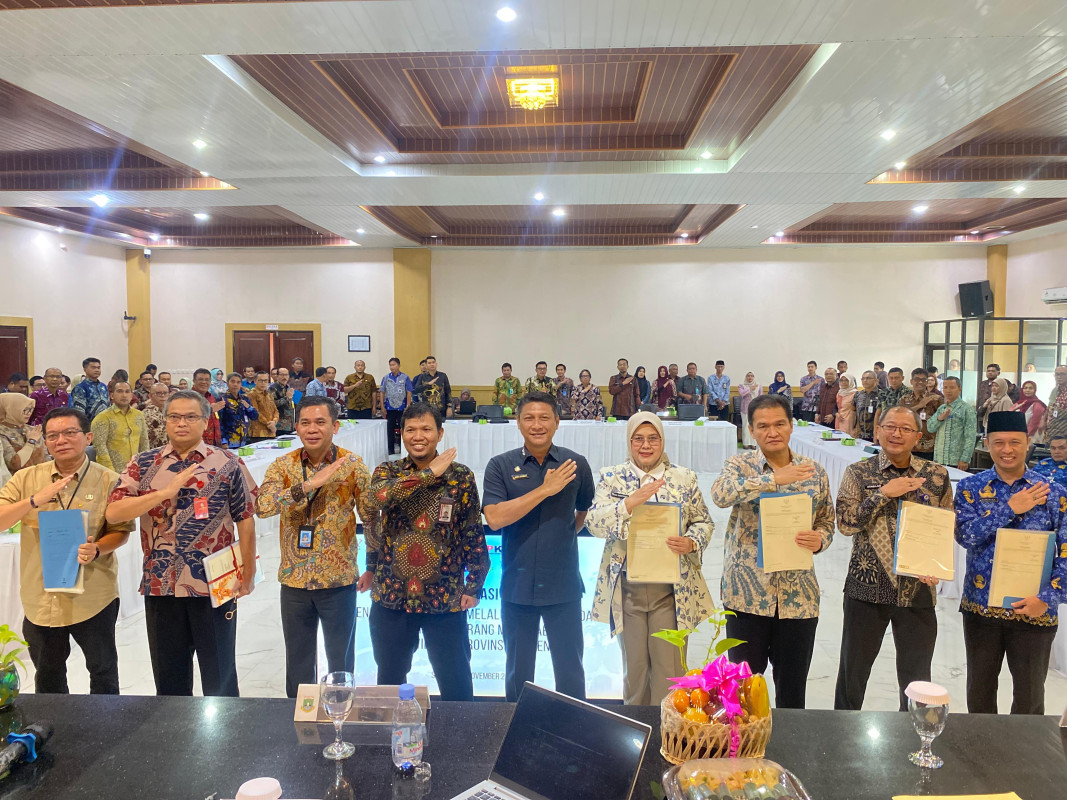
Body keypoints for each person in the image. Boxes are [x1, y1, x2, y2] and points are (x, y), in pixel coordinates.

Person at [106, 390, 258, 697]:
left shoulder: (228, 462)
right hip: (161, 583)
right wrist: (162, 493)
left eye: (190, 417)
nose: (181, 423)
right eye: (174, 417)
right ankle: (176, 738)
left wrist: (248, 572)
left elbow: (245, 517)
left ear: (205, 421)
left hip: (216, 584)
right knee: (169, 677)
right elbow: (114, 512)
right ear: (165, 422)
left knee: (220, 673)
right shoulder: (144, 463)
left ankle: (226, 737)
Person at [710, 393, 834, 709]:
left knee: (792, 692)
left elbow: (826, 520)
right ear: (751, 430)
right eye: (763, 426)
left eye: (779, 424)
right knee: (743, 693)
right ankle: (743, 754)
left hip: (798, 599)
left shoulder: (814, 471)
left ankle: (790, 752)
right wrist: (772, 479)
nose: (772, 432)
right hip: (747, 596)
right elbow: (721, 495)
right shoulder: (739, 465)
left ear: (791, 426)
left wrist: (820, 539)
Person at [360, 403, 489, 701]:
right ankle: (390, 743)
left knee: (455, 679)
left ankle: (462, 742)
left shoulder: (460, 476)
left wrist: (476, 582)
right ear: (401, 433)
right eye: (411, 429)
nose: (419, 436)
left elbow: (471, 529)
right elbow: (374, 501)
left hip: (446, 594)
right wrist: (429, 473)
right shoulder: (387, 471)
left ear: (440, 433)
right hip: (392, 595)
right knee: (390, 679)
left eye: (427, 429)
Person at [0, 407, 133, 694]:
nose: (61, 440)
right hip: (42, 597)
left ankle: (106, 732)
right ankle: (54, 734)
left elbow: (120, 531)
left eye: (70, 433)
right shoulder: (27, 479)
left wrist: (97, 548)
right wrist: (34, 500)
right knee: (48, 675)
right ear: (45, 442)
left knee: (103, 669)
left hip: (93, 595)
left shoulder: (108, 480)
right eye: (53, 435)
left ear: (87, 438)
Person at [586, 411, 715, 705]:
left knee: (669, 672)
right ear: (629, 442)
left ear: (662, 441)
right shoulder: (612, 477)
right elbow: (593, 522)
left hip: (670, 592)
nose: (646, 445)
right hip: (627, 590)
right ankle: (637, 740)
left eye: (653, 438)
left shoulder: (683, 478)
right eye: (638, 439)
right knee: (635, 671)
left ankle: (668, 739)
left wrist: (692, 541)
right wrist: (629, 504)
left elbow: (704, 522)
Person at [834, 406, 952, 711]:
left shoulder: (936, 475)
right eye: (889, 426)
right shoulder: (858, 473)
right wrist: (884, 493)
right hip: (866, 589)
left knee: (917, 681)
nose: (896, 433)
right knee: (852, 675)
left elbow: (944, 525)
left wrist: (935, 564)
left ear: (918, 436)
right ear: (877, 431)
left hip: (918, 590)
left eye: (905, 428)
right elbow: (846, 524)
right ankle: (841, 740)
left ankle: (912, 741)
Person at [256, 396, 373, 698]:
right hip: (294, 582)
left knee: (341, 663)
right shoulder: (283, 465)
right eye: (305, 422)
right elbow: (264, 506)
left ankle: (341, 719)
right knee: (298, 663)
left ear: (334, 426)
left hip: (338, 580)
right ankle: (299, 724)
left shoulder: (353, 465)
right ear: (296, 427)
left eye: (320, 422)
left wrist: (373, 566)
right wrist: (307, 485)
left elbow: (372, 518)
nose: (312, 429)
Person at [482, 390, 595, 702]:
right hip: (517, 587)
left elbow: (583, 511)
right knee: (518, 674)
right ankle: (516, 738)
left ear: (557, 422)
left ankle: (573, 737)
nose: (537, 424)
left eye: (544, 417)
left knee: (571, 672)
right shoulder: (500, 466)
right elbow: (494, 518)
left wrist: (562, 536)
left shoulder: (576, 465)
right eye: (529, 417)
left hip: (564, 587)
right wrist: (544, 490)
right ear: (518, 423)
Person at [954, 410, 1067, 715]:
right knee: (979, 691)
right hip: (981, 606)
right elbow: (965, 536)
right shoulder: (971, 488)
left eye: (1015, 442)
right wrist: (1009, 508)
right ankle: (979, 757)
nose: (1007, 450)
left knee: (1030, 697)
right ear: (987, 444)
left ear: (1029, 442)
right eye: (999, 442)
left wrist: (1047, 599)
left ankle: (1022, 762)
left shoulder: (1053, 492)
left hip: (1034, 610)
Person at [90, 380, 149, 471]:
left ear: (131, 395)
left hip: (136, 470)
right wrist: (111, 474)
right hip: (113, 471)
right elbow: (100, 449)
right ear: (112, 395)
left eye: (127, 391)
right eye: (120, 391)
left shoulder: (139, 415)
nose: (124, 395)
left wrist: (145, 467)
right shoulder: (103, 418)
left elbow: (144, 443)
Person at [926, 377, 978, 472]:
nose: (948, 390)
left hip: (956, 461)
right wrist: (939, 419)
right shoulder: (942, 408)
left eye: (952, 387)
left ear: (959, 389)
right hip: (939, 460)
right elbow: (930, 428)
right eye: (945, 387)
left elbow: (970, 436)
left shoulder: (967, 409)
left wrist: (965, 459)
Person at [0, 393, 44, 476]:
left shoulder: (33, 429)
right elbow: (15, 464)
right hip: (15, 483)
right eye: (25, 409)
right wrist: (31, 441)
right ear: (10, 409)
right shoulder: (2, 432)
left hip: (41, 480)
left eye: (31, 409)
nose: (29, 413)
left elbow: (47, 458)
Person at [901, 368, 939, 459]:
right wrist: (920, 405)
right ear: (911, 381)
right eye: (917, 379)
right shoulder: (904, 399)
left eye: (923, 380)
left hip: (929, 446)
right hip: (909, 445)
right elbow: (901, 415)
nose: (920, 382)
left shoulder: (935, 399)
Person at [380, 358, 414, 455]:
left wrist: (408, 406)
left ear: (398, 366)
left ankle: (403, 449)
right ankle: (390, 450)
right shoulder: (386, 378)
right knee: (389, 429)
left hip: (402, 408)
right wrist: (382, 406)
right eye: (390, 365)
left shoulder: (405, 377)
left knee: (402, 429)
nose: (392, 367)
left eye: (394, 365)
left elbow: (409, 392)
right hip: (389, 408)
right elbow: (382, 392)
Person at [218, 372, 259, 449]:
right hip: (229, 441)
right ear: (227, 383)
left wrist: (249, 407)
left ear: (241, 384)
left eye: (238, 382)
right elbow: (219, 422)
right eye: (233, 382)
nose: (235, 384)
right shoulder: (222, 399)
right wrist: (223, 441)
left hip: (244, 441)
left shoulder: (244, 399)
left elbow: (255, 417)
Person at [70, 358, 110, 425]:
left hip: (106, 424)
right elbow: (79, 412)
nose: (97, 370)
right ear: (85, 369)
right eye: (93, 367)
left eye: (98, 368)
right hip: (89, 425)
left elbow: (108, 406)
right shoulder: (80, 388)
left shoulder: (103, 387)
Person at [191, 368, 224, 447]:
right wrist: (209, 409)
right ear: (194, 381)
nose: (204, 382)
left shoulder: (210, 396)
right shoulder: (189, 397)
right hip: (198, 443)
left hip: (215, 442)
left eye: (207, 380)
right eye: (200, 379)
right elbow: (190, 416)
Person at [247, 371, 279, 442]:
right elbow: (255, 412)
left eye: (265, 381)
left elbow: (275, 410)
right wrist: (269, 424)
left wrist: (274, 422)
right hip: (258, 433)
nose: (263, 383)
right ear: (255, 381)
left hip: (271, 432)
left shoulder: (269, 394)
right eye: (260, 381)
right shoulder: (252, 394)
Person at [1042, 365, 1067, 444]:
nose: (1059, 377)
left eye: (1062, 374)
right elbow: (1049, 408)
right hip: (1053, 427)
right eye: (1057, 374)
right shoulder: (1055, 390)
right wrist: (1043, 421)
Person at [269, 368, 296, 436]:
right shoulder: (273, 388)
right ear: (277, 376)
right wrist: (286, 398)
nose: (284, 377)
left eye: (286, 375)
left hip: (290, 424)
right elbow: (271, 405)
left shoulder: (288, 387)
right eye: (282, 375)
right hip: (280, 425)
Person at [854, 371, 880, 442]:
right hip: (860, 434)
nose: (865, 380)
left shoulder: (882, 395)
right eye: (863, 378)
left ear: (876, 380)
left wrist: (877, 433)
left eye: (868, 378)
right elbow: (853, 412)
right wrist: (854, 428)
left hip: (876, 435)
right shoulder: (858, 394)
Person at [143, 382, 170, 449]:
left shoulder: (173, 411)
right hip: (154, 452)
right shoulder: (145, 414)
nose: (162, 395)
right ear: (151, 395)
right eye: (158, 393)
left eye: (165, 393)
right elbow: (146, 439)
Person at [738, 373, 762, 448]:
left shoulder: (758, 386)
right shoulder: (742, 386)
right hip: (745, 409)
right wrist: (750, 389)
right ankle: (746, 443)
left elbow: (761, 397)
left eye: (752, 376)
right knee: (745, 426)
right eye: (748, 376)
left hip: (755, 409)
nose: (750, 377)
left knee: (754, 426)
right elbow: (742, 394)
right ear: (746, 377)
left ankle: (753, 443)